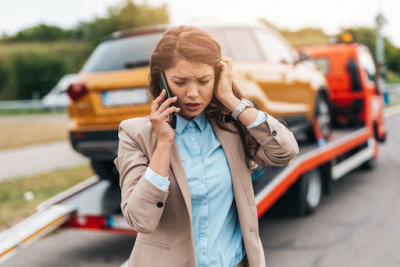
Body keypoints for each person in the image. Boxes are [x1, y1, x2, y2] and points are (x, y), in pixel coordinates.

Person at [114, 25, 299, 267]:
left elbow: (285, 151)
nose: (193, 93)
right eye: (180, 81)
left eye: (204, 80)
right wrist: (163, 143)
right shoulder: (134, 134)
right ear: (162, 80)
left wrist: (231, 100)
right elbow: (140, 219)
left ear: (218, 77)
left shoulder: (231, 127)